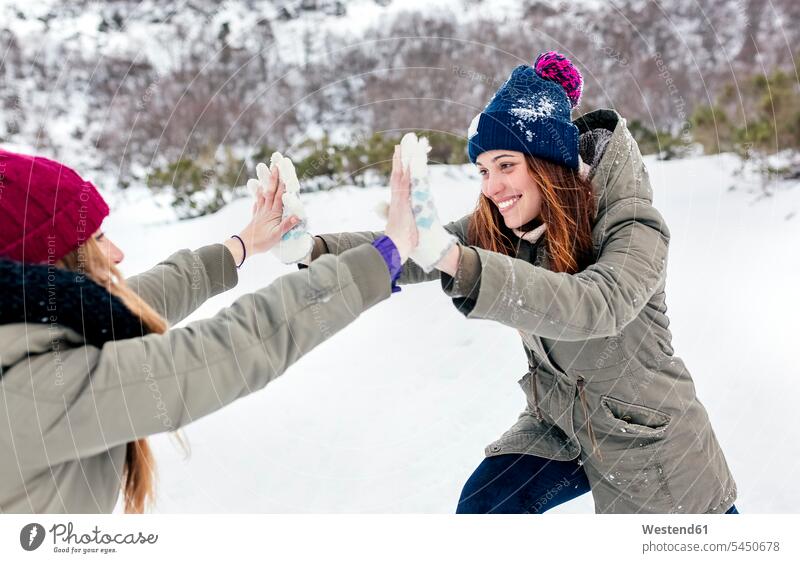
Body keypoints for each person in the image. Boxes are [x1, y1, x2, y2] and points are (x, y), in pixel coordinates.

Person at [302, 51, 739, 514]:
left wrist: (460, 262)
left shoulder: (634, 224)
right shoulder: (506, 223)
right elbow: (412, 246)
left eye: (506, 165)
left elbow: (599, 304)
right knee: (486, 506)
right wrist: (312, 250)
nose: (492, 187)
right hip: (560, 424)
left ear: (547, 163)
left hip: (648, 439)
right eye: (484, 170)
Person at [0, 146, 417, 513]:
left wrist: (242, 245)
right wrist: (383, 256)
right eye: (95, 240)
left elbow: (132, 304)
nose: (117, 253)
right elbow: (229, 348)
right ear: (43, 265)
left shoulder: (25, 326)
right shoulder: (32, 386)